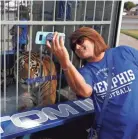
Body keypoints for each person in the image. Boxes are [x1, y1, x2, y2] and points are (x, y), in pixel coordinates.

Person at [46, 27, 138, 139]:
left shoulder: (124, 52)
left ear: (93, 37)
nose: (78, 47)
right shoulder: (85, 72)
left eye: (80, 41)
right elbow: (85, 91)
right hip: (113, 133)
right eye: (74, 47)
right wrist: (64, 61)